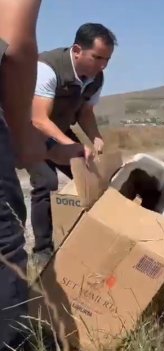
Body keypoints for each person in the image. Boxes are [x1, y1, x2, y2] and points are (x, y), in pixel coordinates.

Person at [0, 1, 91, 347]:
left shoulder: (92, 80)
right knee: (4, 249)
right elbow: (15, 44)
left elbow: (85, 112)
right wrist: (23, 139)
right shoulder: (50, 69)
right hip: (37, 132)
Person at [27, 22, 116, 267]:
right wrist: (69, 145)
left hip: (59, 128)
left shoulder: (97, 78)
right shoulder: (47, 68)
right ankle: (42, 251)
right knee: (46, 182)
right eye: (97, 57)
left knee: (92, 176)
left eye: (107, 59)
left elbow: (85, 112)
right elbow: (39, 119)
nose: (102, 65)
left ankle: (92, 238)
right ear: (77, 50)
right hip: (27, 129)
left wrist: (95, 137)